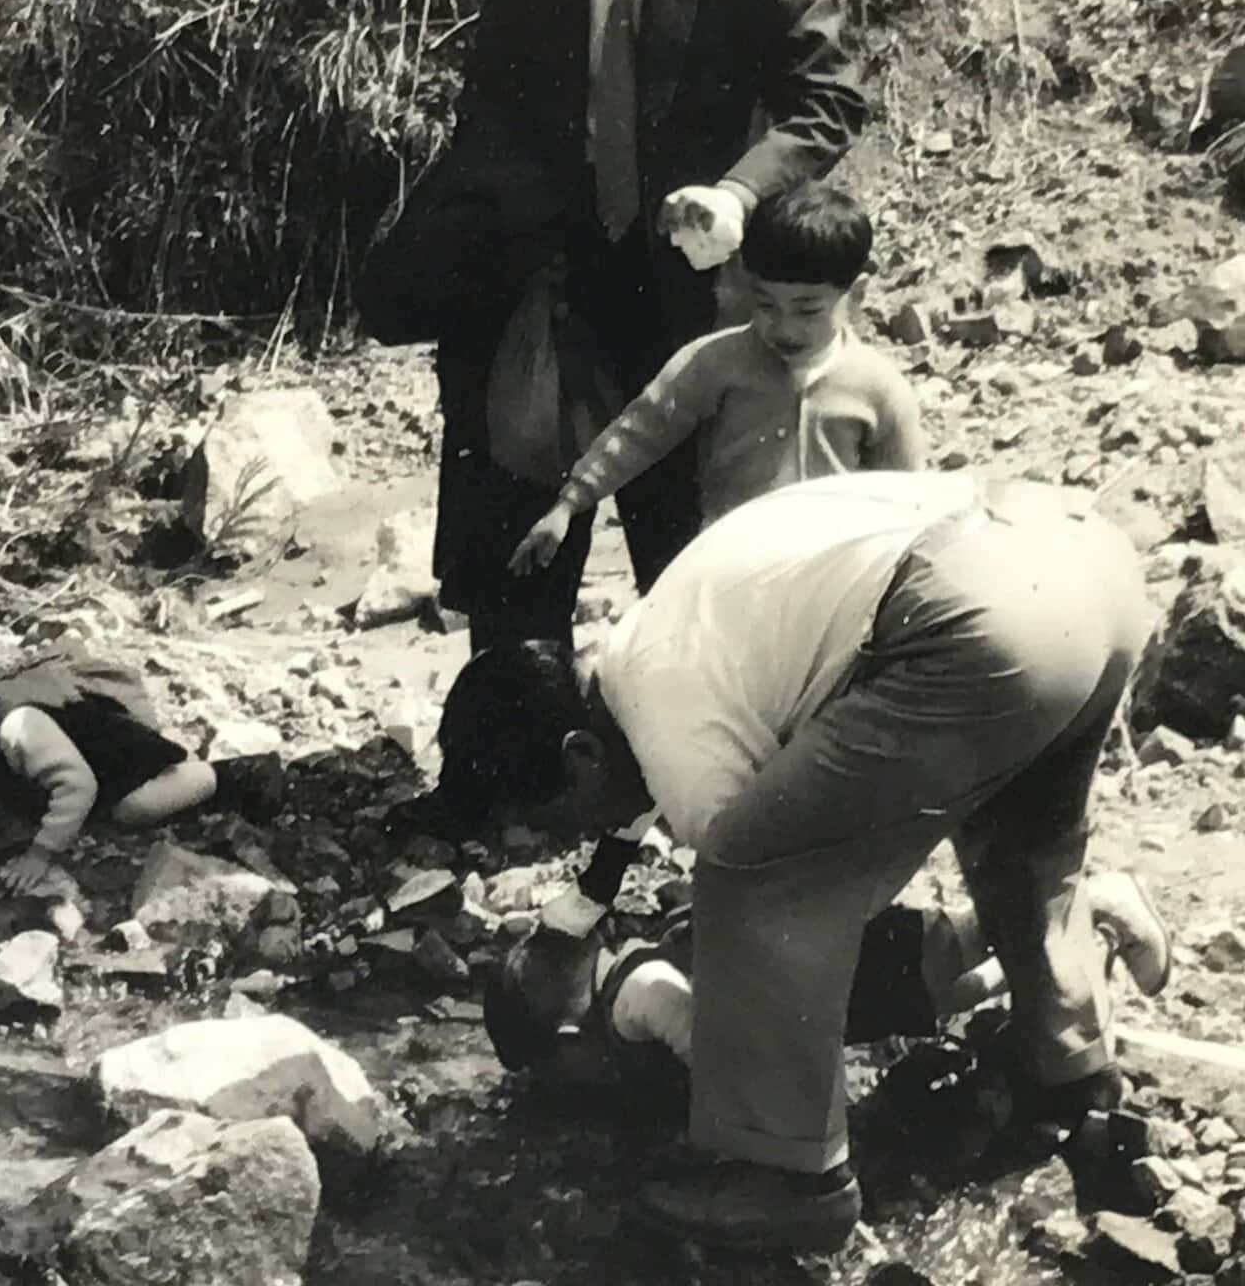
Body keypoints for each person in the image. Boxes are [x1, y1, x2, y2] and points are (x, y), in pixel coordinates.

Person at [426, 471, 1152, 1254]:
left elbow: (785, 890)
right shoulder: (646, 651)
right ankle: (1067, 1060)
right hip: (1081, 567)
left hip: (977, 616)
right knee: (1025, 847)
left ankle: (791, 1179)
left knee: (749, 878)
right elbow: (631, 806)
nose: (569, 837)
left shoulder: (664, 706)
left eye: (556, 819)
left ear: (578, 757)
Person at [355, 0, 867, 652]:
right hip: (554, 281)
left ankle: (685, 773)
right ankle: (511, 764)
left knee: (696, 563)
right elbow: (494, 106)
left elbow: (826, 97)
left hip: (692, 282)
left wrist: (740, 194)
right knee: (515, 548)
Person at [509, 184, 923, 575]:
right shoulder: (717, 362)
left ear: (857, 293)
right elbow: (641, 430)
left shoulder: (878, 386)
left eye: (808, 310)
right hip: (735, 563)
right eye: (766, 305)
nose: (784, 328)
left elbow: (906, 496)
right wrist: (571, 502)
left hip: (833, 569)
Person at [484, 872, 1171, 1089]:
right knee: (950, 994)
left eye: (561, 1072)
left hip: (845, 966)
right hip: (823, 993)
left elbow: (714, 1057)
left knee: (951, 947)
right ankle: (1077, 940)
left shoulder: (637, 996)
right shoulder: (620, 985)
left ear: (568, 1034)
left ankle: (1094, 897)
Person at [0, 629, 284, 891]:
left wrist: (40, 855)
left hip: (126, 768)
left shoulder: (17, 726)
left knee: (130, 811)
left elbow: (78, 785)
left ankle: (225, 776)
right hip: (47, 772)